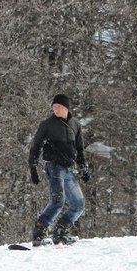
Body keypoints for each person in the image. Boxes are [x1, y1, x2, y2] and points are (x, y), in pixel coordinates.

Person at [27, 93, 90, 246]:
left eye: (59, 107)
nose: (55, 109)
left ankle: (61, 231)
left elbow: (80, 150)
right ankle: (40, 231)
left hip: (69, 169)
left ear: (66, 108)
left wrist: (84, 168)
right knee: (58, 201)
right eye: (54, 107)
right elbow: (36, 146)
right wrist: (33, 167)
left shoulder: (75, 124)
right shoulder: (47, 125)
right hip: (54, 167)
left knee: (78, 204)